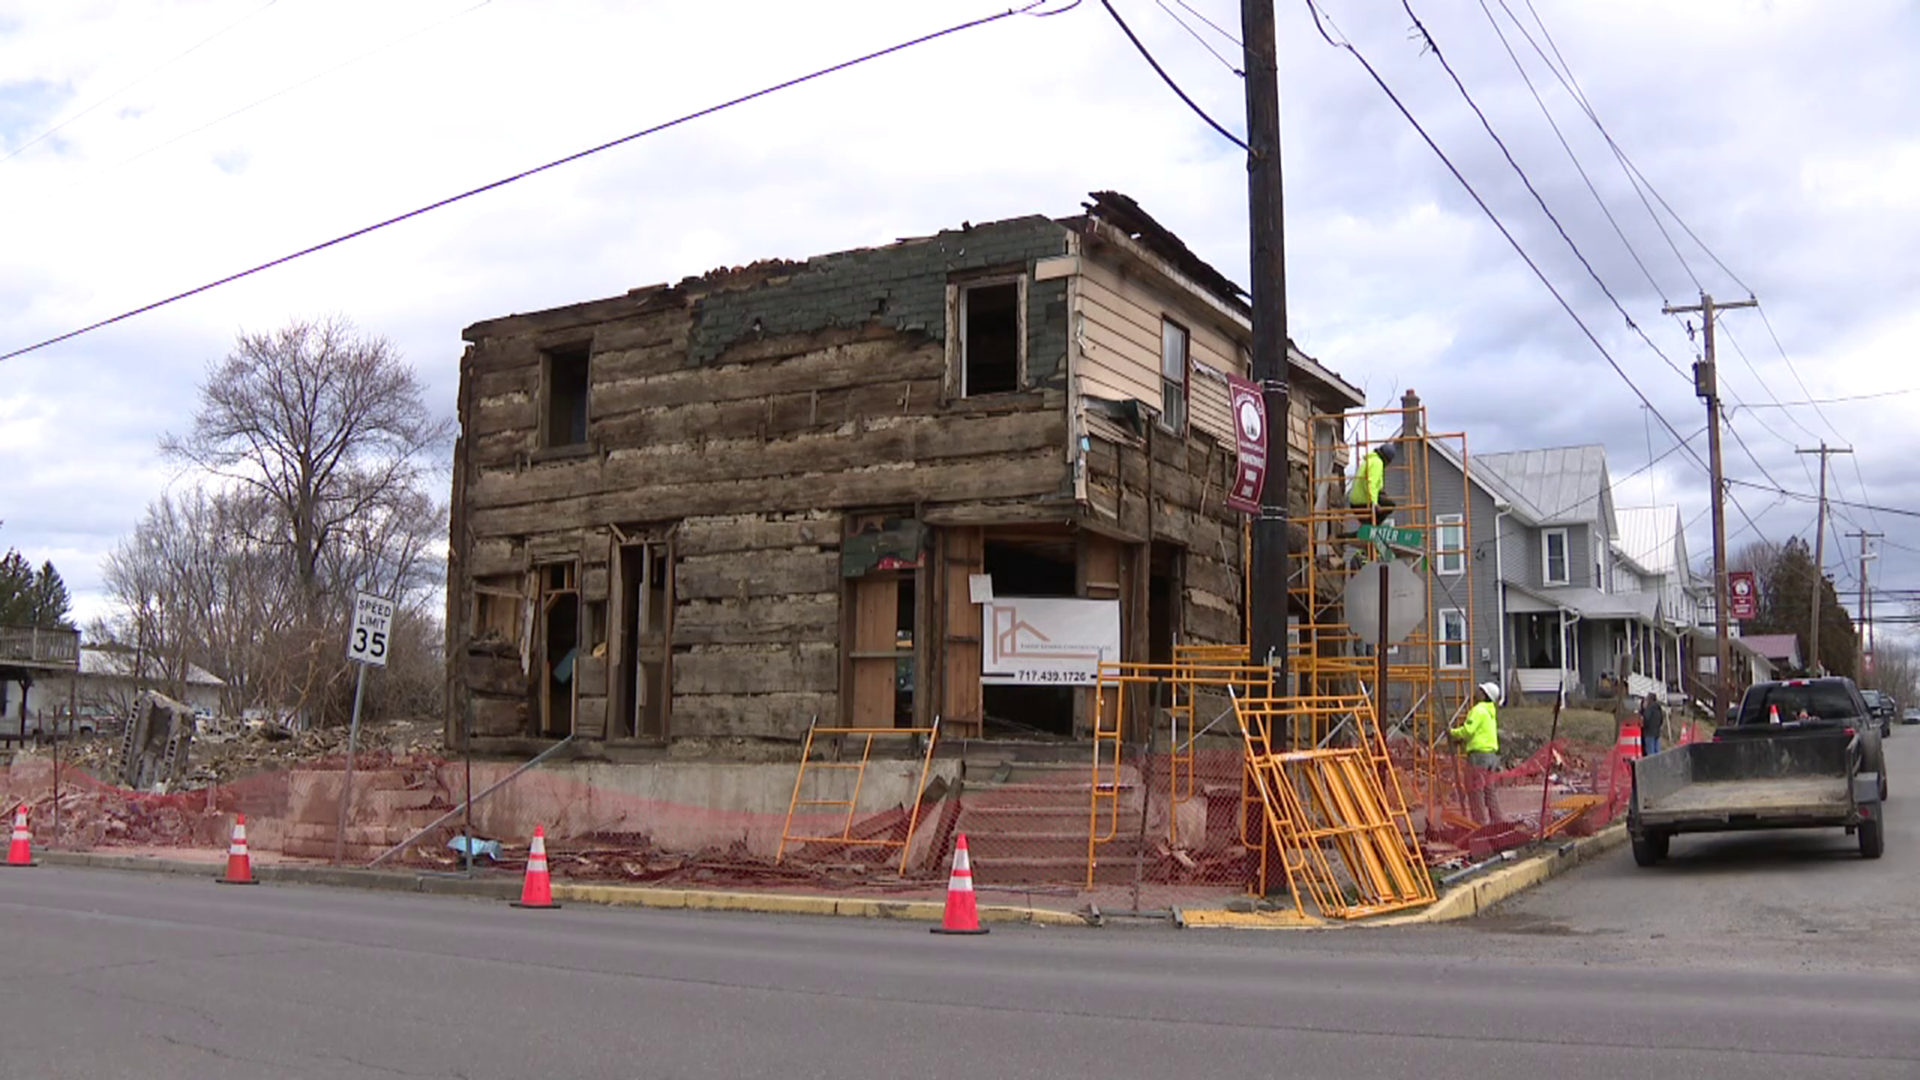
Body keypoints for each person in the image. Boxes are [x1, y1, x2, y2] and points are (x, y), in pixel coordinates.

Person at [1449, 681, 1504, 825]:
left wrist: (1452, 733)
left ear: (1485, 695)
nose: (1476, 692)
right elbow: (1479, 732)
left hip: (1479, 757)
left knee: (1475, 790)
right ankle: (1497, 822)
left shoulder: (1479, 710)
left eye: (1480, 690)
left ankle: (1479, 824)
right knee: (1489, 790)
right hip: (1491, 756)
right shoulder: (1490, 712)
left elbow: (1468, 730)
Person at [1347, 442, 1398, 525]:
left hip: (1357, 500)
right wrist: (1374, 503)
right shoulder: (1377, 463)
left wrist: (1381, 493)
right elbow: (1371, 484)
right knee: (1390, 505)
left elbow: (1375, 485)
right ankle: (1372, 528)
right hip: (1362, 502)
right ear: (1387, 459)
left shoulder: (1371, 460)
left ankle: (1368, 527)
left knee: (1385, 502)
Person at [1640, 691, 1665, 756]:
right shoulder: (1658, 708)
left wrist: (1643, 709)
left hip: (1649, 732)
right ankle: (1658, 765)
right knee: (1657, 752)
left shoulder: (1649, 708)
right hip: (1657, 732)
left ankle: (1651, 766)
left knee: (1650, 752)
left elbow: (1646, 718)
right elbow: (1661, 719)